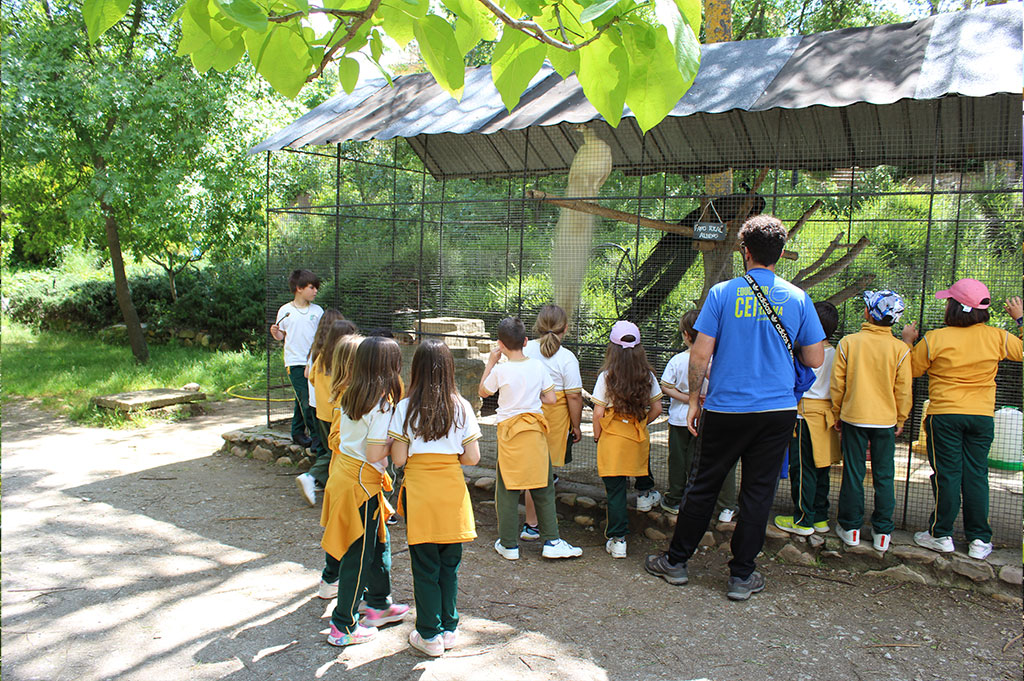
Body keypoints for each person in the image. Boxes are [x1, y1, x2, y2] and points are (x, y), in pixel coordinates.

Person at [644, 215, 825, 601]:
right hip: (776, 411)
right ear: (780, 254)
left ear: (745, 251)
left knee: (703, 485)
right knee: (758, 493)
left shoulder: (722, 294)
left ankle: (676, 562)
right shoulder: (797, 298)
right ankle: (742, 575)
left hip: (726, 409)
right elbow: (814, 359)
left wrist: (693, 400)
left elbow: (700, 354)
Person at [902, 279, 1023, 560]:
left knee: (947, 475)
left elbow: (912, 370)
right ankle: (980, 540)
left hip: (944, 416)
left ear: (955, 307)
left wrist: (908, 341)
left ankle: (940, 534)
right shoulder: (998, 337)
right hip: (981, 417)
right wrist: (1019, 319)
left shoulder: (935, 338)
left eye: (948, 301)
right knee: (977, 475)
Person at [389, 340, 482, 657]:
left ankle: (429, 634)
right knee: (449, 563)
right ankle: (449, 629)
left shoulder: (404, 408)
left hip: (420, 492)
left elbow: (399, 459)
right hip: (452, 491)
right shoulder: (462, 406)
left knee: (425, 564)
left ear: (415, 369)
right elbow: (472, 457)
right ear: (450, 370)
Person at [319, 336, 409, 647]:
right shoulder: (382, 402)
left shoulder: (353, 393)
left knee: (374, 546)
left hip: (346, 476)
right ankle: (343, 625)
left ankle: (378, 606)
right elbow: (373, 453)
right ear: (388, 366)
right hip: (360, 483)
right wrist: (399, 442)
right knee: (357, 555)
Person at [479, 317, 582, 561]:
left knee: (508, 488)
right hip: (535, 432)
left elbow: (483, 391)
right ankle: (552, 541)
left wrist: (491, 363)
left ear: (500, 344)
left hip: (510, 434)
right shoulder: (537, 367)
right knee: (543, 486)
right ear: (526, 341)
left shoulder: (501, 369)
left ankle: (508, 544)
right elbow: (551, 399)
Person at [831, 290, 912, 553]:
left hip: (853, 416)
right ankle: (882, 533)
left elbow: (838, 384)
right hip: (886, 421)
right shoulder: (900, 349)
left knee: (853, 473)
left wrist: (837, 413)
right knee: (885, 475)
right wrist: (901, 417)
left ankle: (851, 528)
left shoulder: (849, 343)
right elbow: (903, 389)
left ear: (868, 313)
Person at [592, 320, 663, 558]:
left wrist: (598, 435)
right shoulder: (648, 376)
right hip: (635, 434)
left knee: (616, 491)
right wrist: (642, 423)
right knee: (639, 470)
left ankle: (618, 539)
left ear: (611, 348)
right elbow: (657, 408)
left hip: (612, 437)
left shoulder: (606, 376)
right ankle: (645, 496)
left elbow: (598, 412)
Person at [659, 309, 737, 519]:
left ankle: (675, 498)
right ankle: (712, 502)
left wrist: (686, 398)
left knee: (678, 458)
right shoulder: (716, 360)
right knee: (702, 460)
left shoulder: (677, 360)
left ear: (685, 334)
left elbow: (665, 386)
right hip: (708, 417)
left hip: (679, 418)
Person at [774, 301, 841, 536]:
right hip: (827, 417)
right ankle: (820, 517)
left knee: (802, 469)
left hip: (804, 416)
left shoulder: (803, 353)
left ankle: (802, 520)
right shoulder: (837, 353)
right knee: (822, 469)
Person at [520, 304, 583, 540]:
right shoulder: (567, 358)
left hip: (526, 413)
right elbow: (574, 396)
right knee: (539, 471)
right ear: (565, 328)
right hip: (554, 417)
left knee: (534, 465)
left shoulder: (525, 350)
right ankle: (533, 523)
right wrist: (576, 426)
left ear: (537, 326)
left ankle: (533, 520)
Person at [315, 333, 364, 599]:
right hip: (344, 471)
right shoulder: (345, 397)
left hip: (348, 472)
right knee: (340, 528)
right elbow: (334, 438)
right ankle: (330, 578)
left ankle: (332, 578)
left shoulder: (353, 393)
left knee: (343, 526)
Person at [296, 314, 353, 505]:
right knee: (336, 451)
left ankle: (328, 484)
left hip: (321, 411)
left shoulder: (320, 356)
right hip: (337, 413)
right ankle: (311, 477)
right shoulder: (344, 359)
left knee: (330, 449)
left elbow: (310, 378)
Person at [270, 270, 326, 458]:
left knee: (304, 398)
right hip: (295, 362)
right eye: (311, 287)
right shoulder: (286, 310)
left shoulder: (318, 311)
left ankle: (297, 433)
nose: (315, 291)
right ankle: (318, 441)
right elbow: (281, 336)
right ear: (299, 288)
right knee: (306, 401)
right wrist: (275, 332)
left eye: (316, 287)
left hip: (314, 361)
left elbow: (322, 336)